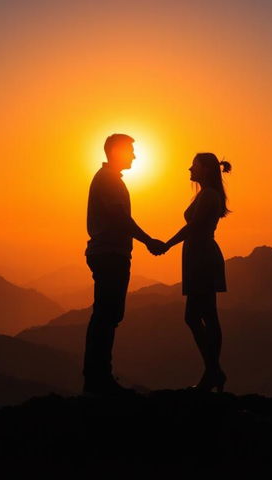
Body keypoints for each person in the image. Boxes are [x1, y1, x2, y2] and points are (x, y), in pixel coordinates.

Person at [83, 133, 166, 395]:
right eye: (130, 150)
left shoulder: (108, 179)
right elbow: (120, 218)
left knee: (106, 315)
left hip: (108, 253)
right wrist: (148, 240)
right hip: (110, 254)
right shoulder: (109, 181)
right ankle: (99, 379)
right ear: (117, 152)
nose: (134, 156)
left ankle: (97, 377)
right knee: (107, 316)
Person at [162, 153, 231, 392]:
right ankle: (213, 372)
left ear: (205, 169)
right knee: (202, 316)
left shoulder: (209, 195)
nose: (189, 168)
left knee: (201, 316)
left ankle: (213, 372)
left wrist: (166, 244)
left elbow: (193, 227)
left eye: (194, 165)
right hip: (197, 257)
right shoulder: (205, 194)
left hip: (202, 258)